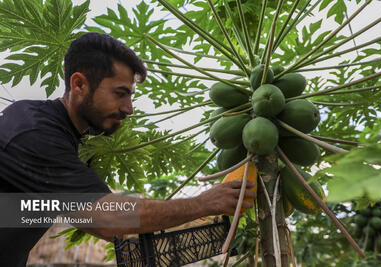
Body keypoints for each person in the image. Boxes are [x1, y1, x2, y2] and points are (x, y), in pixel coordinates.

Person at [0, 32, 256, 266]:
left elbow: (87, 218)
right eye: (120, 94)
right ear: (79, 85)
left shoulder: (53, 135)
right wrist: (203, 203)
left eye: (131, 95)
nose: (128, 108)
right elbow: (109, 220)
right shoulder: (33, 132)